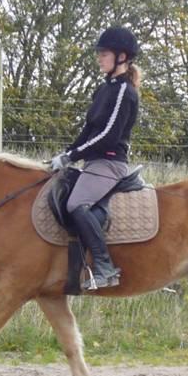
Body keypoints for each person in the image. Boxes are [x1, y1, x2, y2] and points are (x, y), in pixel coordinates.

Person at [50, 26, 141, 290]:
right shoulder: (103, 90)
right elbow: (89, 131)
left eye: (104, 53)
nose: (99, 58)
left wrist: (72, 157)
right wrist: (67, 153)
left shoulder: (124, 91)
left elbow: (109, 136)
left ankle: (104, 267)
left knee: (76, 204)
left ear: (122, 57)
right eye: (99, 53)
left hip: (111, 162)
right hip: (94, 162)